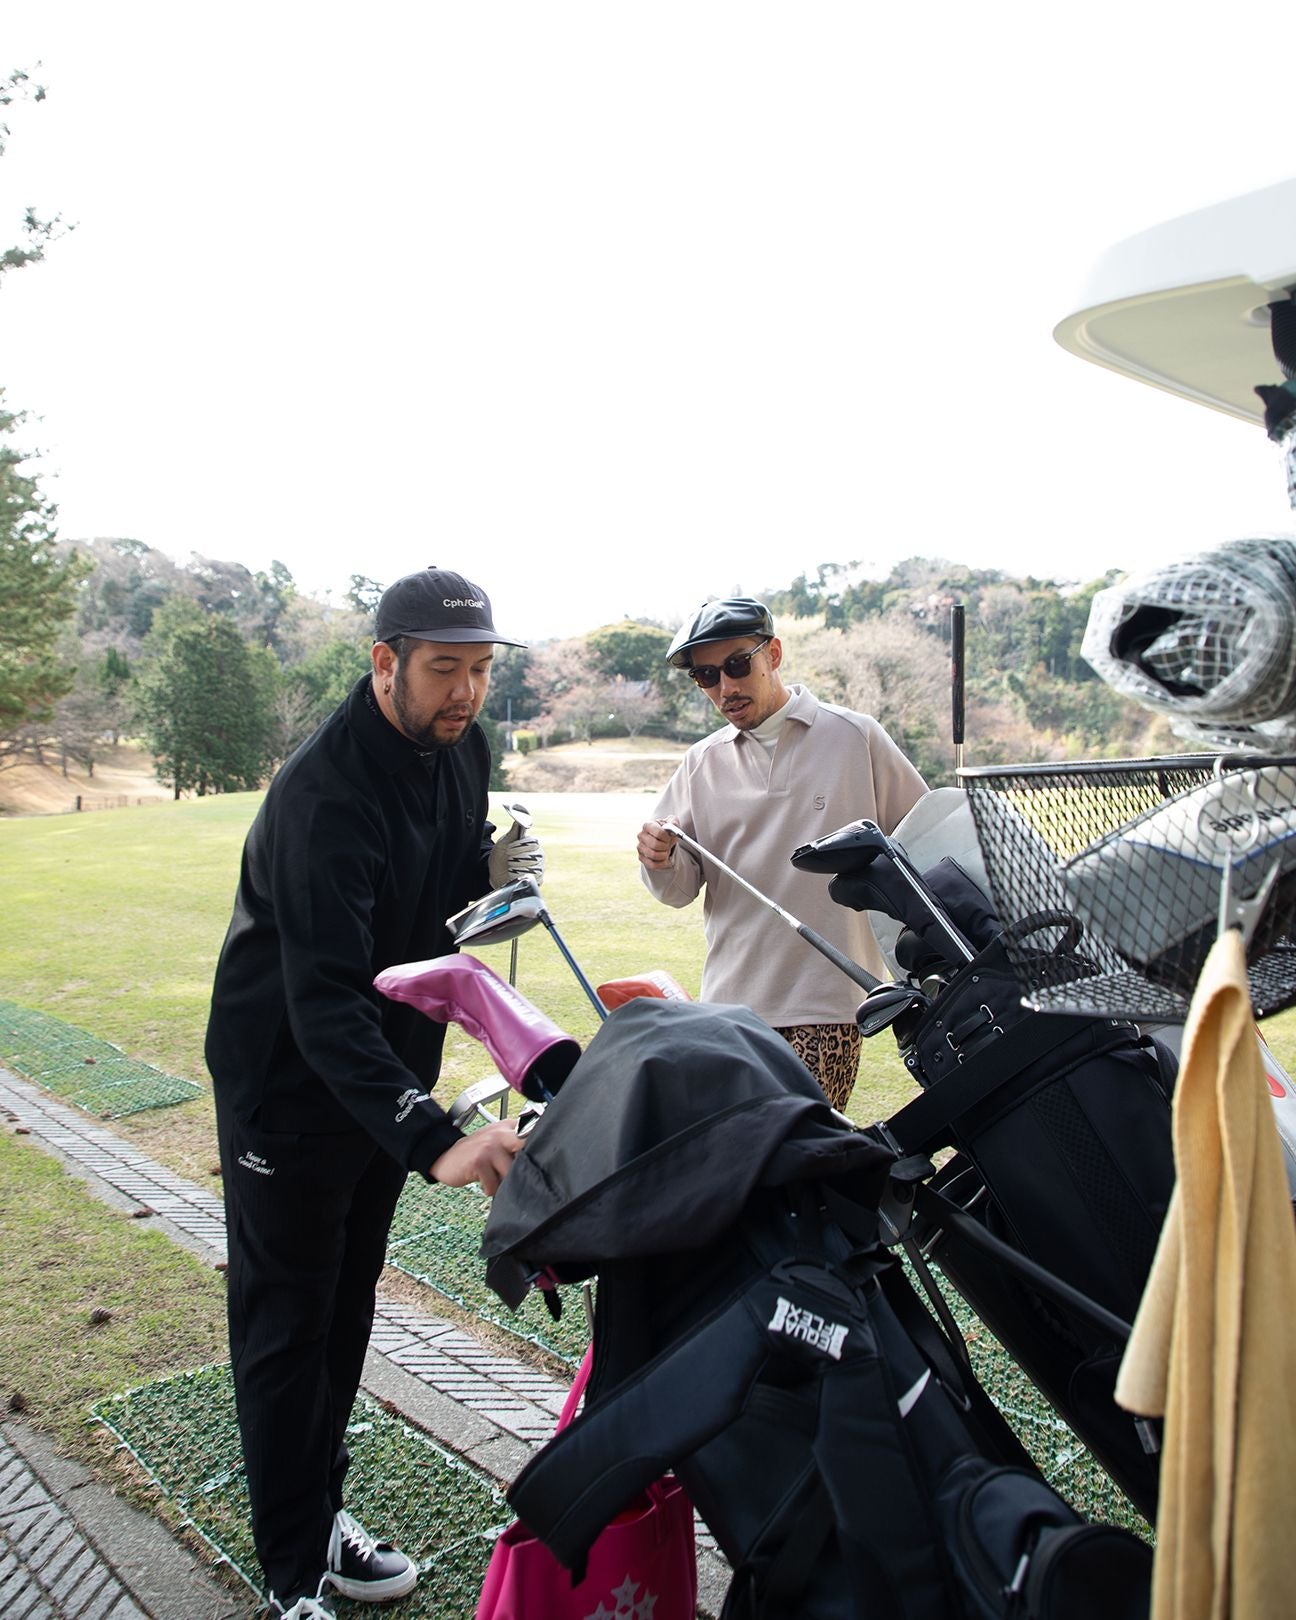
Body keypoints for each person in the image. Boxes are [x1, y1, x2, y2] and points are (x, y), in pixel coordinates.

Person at [205, 566, 544, 1620]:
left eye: (482, 671)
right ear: (384, 662)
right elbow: (324, 1003)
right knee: (286, 1325)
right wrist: (432, 1134)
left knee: (345, 1312)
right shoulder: (322, 793)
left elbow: (434, 920)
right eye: (445, 670)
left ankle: (318, 1515)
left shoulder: (462, 750)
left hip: (383, 1076)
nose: (465, 694)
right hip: (290, 1089)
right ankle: (290, 1574)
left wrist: (488, 887)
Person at [637, 597, 927, 1110]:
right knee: (737, 1157)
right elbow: (678, 889)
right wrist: (658, 857)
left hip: (827, 1002)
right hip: (729, 1002)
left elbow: (921, 843)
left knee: (793, 1159)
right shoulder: (700, 763)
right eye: (706, 676)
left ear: (773, 653)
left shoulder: (856, 737)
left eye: (736, 665)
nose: (725, 688)